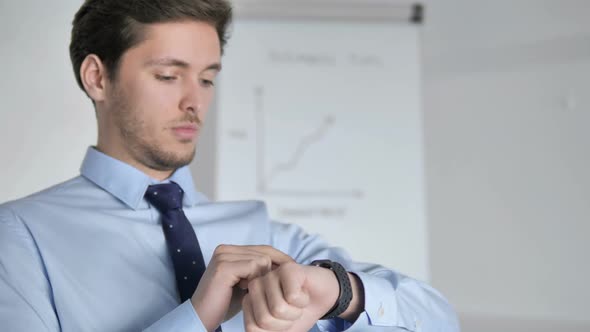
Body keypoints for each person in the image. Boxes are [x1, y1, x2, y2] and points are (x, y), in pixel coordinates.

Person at [0, 0, 460, 331]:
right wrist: (197, 318)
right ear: (98, 77)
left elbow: (438, 319)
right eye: (168, 75)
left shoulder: (267, 236)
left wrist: (341, 293)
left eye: (206, 78)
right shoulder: (20, 237)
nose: (193, 102)